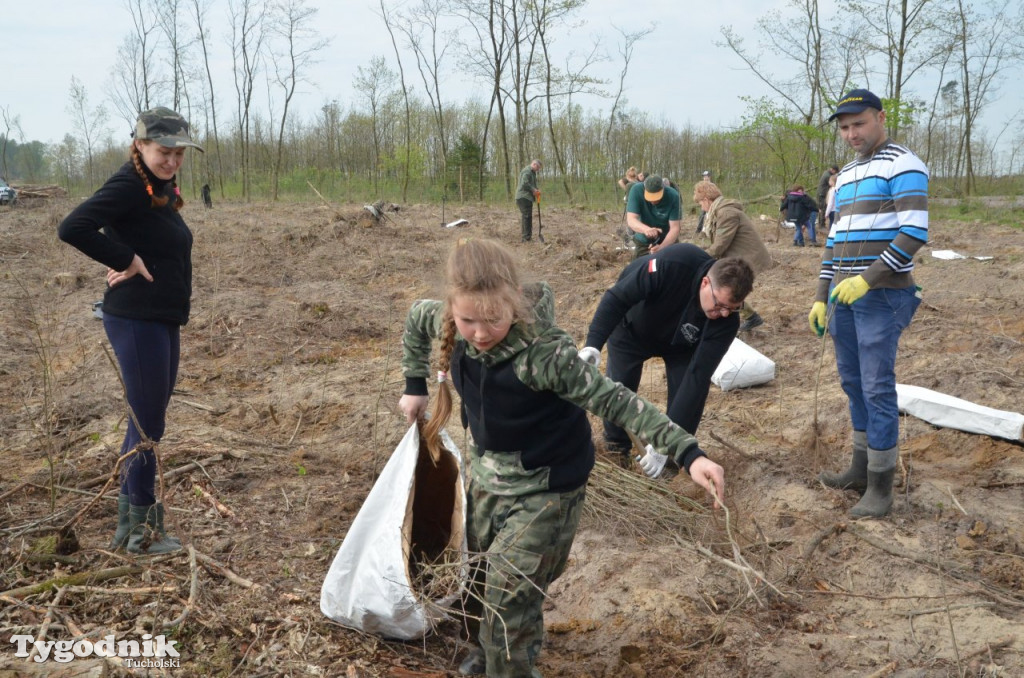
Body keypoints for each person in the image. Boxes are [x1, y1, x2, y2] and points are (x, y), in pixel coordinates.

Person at [399, 238, 725, 677]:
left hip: (547, 486)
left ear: (513, 303)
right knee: (475, 581)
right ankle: (485, 652)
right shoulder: (442, 320)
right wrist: (415, 384)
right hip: (488, 474)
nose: (479, 333)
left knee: (510, 593)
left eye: (493, 319)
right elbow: (416, 324)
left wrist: (689, 453)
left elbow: (617, 401)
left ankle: (509, 668)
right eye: (467, 320)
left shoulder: (546, 356)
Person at [58, 107, 204, 554]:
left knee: (146, 418)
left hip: (160, 317)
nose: (173, 160)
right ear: (140, 145)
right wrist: (124, 259)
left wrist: (133, 253)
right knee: (147, 425)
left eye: (179, 153)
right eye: (164, 151)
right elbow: (73, 226)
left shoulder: (156, 186)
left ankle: (129, 523)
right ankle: (139, 535)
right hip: (137, 319)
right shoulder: (128, 183)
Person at [810, 88, 928, 518]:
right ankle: (859, 470)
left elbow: (914, 232)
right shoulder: (847, 177)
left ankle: (881, 486)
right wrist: (821, 297)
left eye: (858, 123)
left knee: (878, 387)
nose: (851, 133)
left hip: (881, 296)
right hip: (844, 297)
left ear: (879, 118)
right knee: (853, 382)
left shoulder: (903, 164)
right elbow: (834, 241)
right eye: (844, 127)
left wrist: (867, 279)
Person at [579, 243, 755, 464]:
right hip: (632, 330)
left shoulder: (727, 321)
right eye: (720, 305)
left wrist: (669, 444)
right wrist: (593, 344)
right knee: (621, 386)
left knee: (686, 394)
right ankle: (617, 448)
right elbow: (617, 298)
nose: (724, 313)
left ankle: (670, 460)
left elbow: (697, 377)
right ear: (705, 283)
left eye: (733, 307)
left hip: (680, 346)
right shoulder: (673, 264)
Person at [694, 181, 772, 333]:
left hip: (748, 258)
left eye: (700, 203)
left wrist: (698, 258)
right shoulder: (720, 212)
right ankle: (750, 317)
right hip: (738, 256)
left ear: (706, 199)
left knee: (729, 289)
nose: (701, 207)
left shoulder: (726, 213)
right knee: (729, 289)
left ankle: (740, 321)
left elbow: (720, 244)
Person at [625, 174, 681, 259]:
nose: (653, 200)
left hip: (667, 238)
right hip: (643, 240)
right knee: (639, 268)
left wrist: (662, 247)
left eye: (657, 197)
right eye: (650, 197)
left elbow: (675, 228)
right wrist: (646, 230)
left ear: (663, 189)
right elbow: (631, 220)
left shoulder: (673, 195)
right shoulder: (636, 190)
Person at [515, 159, 542, 242]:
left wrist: (536, 190)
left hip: (527, 197)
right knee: (527, 217)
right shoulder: (527, 171)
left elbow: (532, 184)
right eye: (537, 168)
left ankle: (527, 237)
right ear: (534, 164)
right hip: (523, 197)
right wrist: (534, 190)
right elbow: (525, 183)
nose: (538, 170)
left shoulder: (533, 173)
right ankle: (526, 238)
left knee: (527, 217)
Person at [815, 164, 838, 234]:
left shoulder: (826, 173)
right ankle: (821, 225)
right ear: (832, 170)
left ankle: (821, 224)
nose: (835, 173)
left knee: (822, 208)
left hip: (821, 193)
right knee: (823, 208)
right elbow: (833, 183)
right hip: (822, 194)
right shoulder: (828, 176)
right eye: (835, 172)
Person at [695, 170, 712, 236]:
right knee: (701, 216)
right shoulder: (701, 185)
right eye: (704, 176)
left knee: (709, 217)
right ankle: (699, 229)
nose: (705, 178)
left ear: (709, 177)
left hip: (710, 203)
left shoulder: (712, 185)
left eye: (706, 176)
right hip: (704, 203)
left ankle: (708, 230)